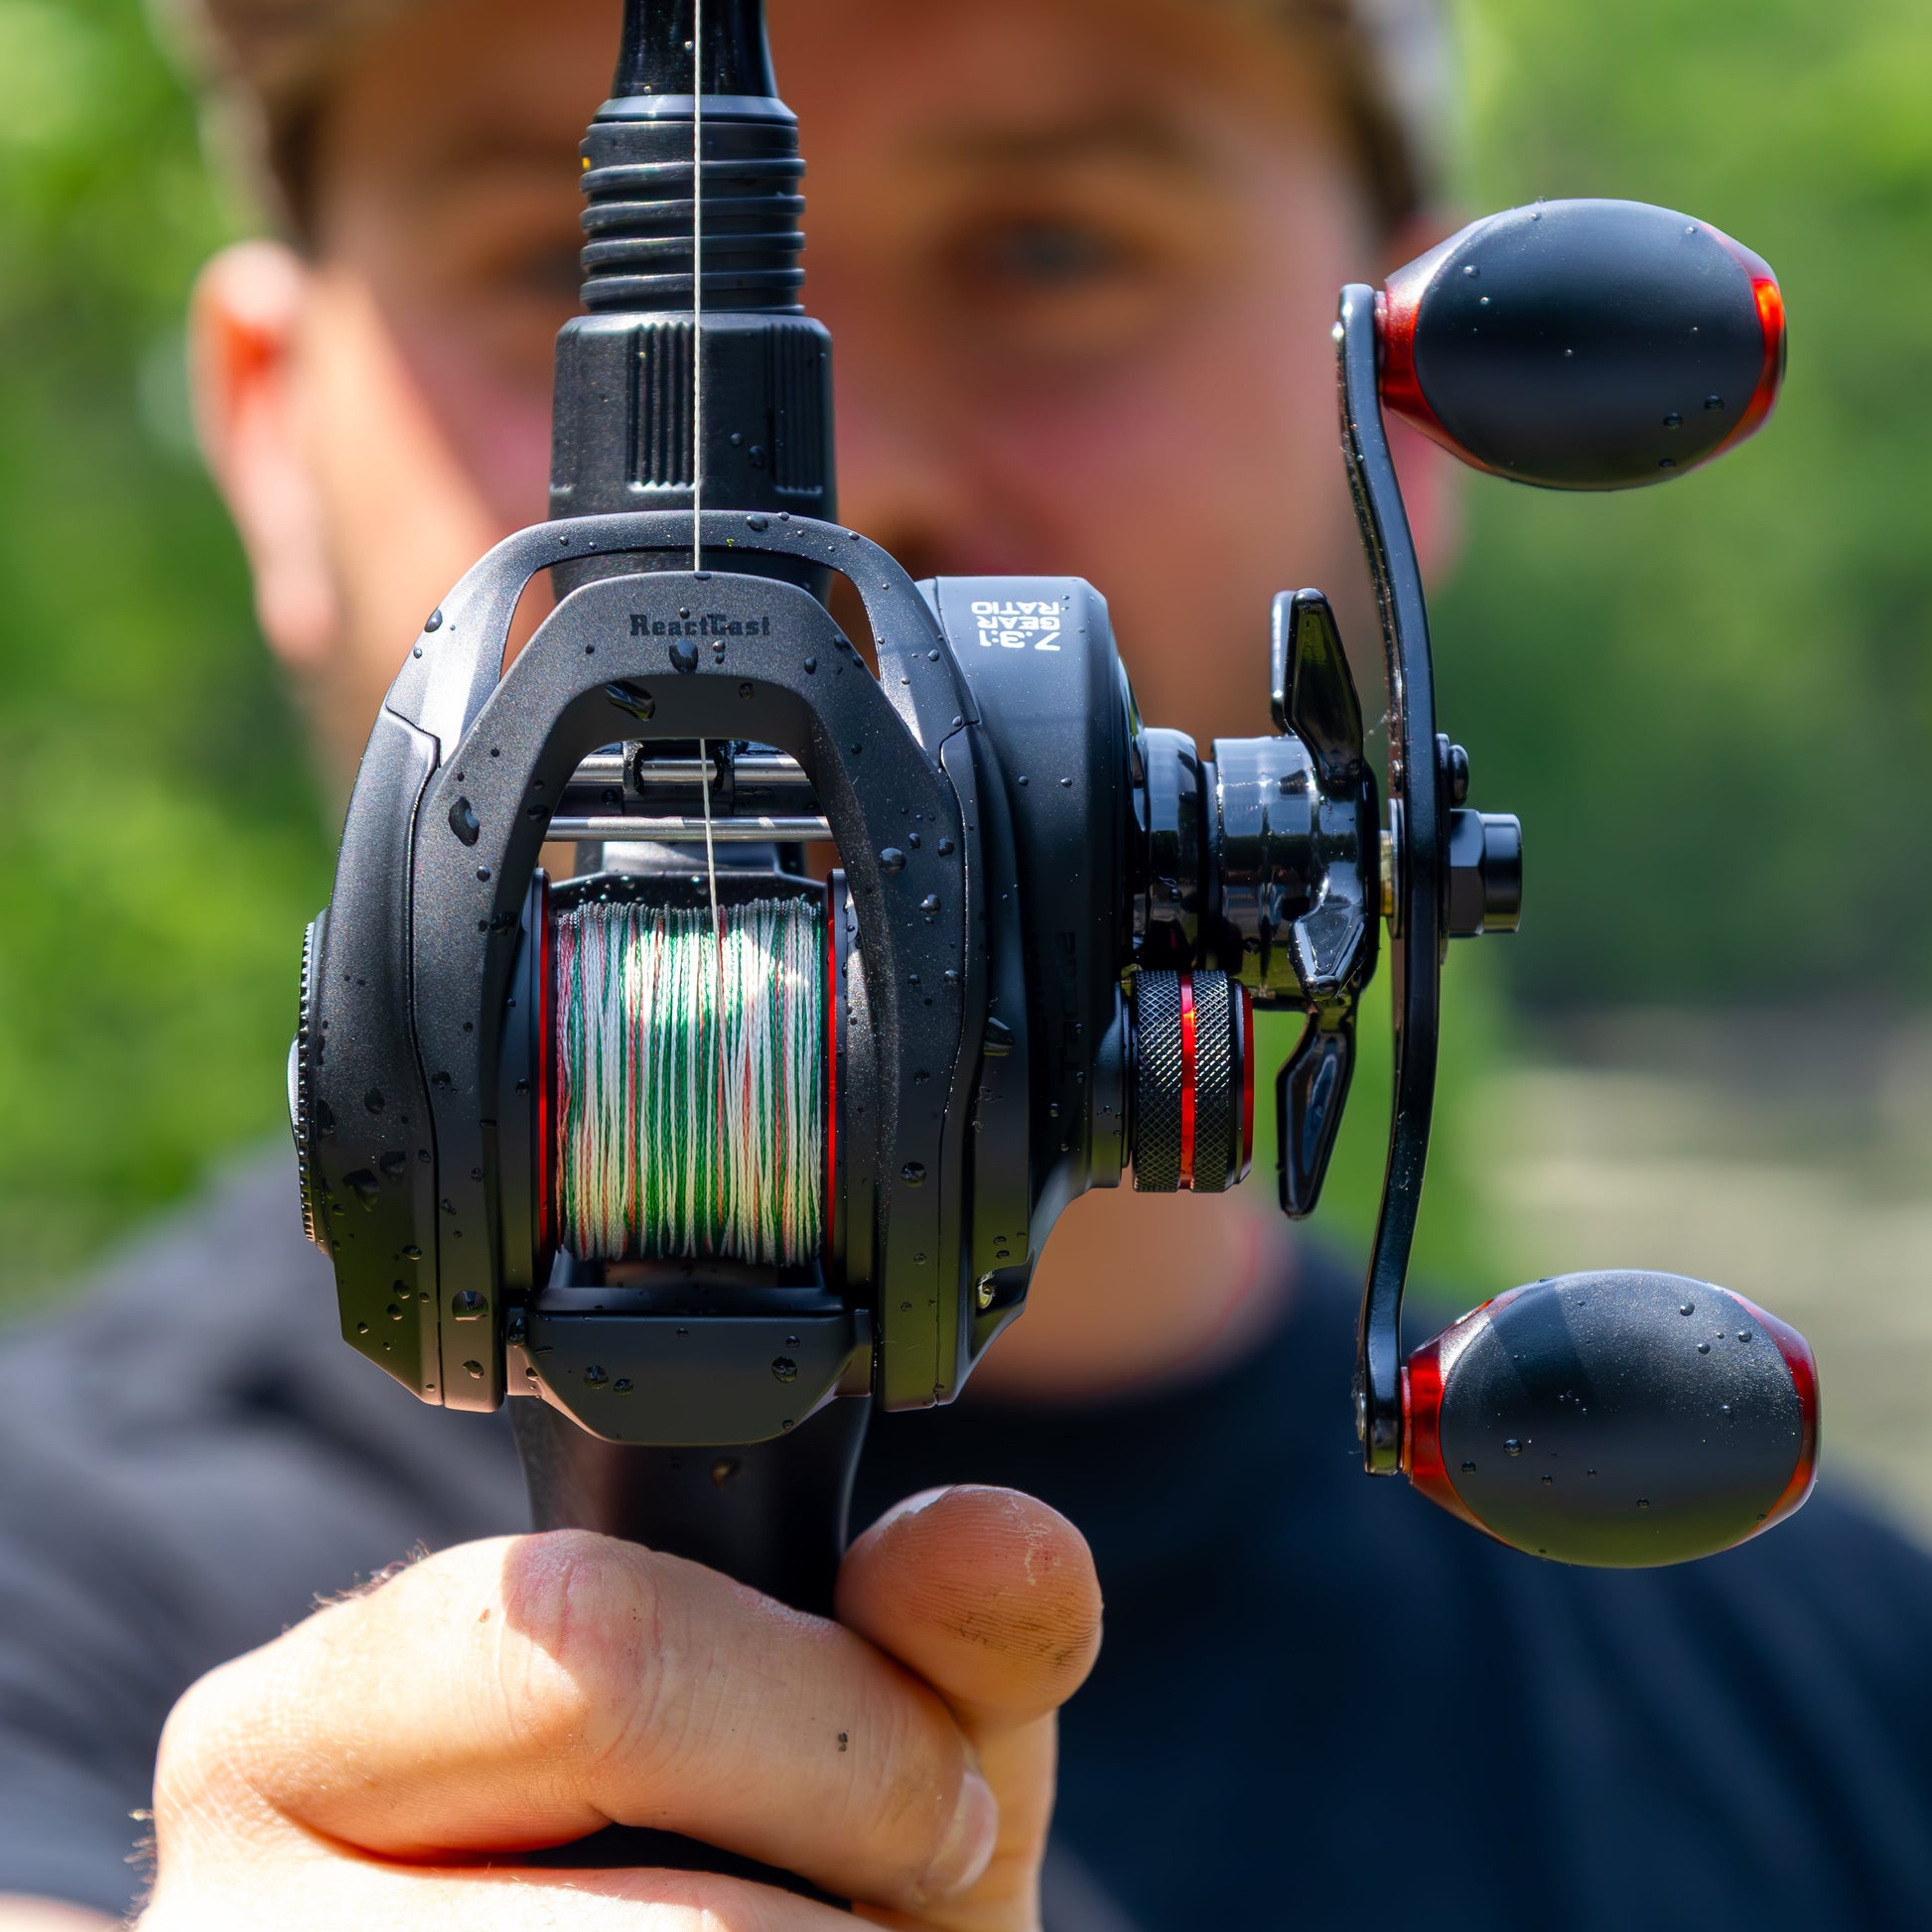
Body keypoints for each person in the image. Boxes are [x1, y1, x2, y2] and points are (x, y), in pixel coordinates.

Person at [3, 0, 1931, 1926]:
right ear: (270, 433)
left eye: (1049, 247)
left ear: (1402, 411)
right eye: (548, 257)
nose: (862, 500)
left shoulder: (1866, 1719)